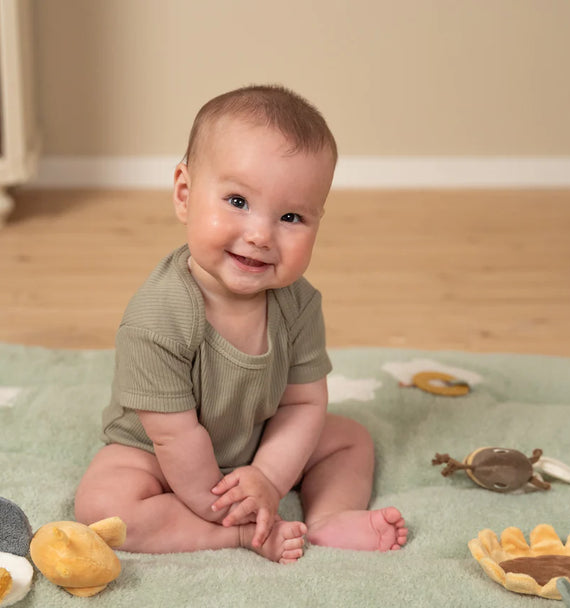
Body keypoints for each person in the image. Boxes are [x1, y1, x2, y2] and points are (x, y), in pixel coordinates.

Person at [75, 84, 407, 563]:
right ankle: (232, 537)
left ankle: (330, 517)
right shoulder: (157, 319)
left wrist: (269, 478)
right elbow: (175, 436)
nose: (259, 235)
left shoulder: (299, 303)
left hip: (259, 435)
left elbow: (303, 402)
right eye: (237, 202)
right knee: (103, 507)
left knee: (350, 439)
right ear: (185, 194)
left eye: (291, 216)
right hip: (161, 455)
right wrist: (235, 511)